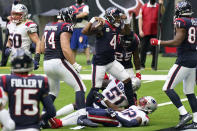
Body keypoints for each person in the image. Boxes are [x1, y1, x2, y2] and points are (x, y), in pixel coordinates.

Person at [150, 1, 197, 129]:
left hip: (185, 59)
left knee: (167, 87)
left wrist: (159, 42)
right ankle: (196, 121)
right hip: (194, 57)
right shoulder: (194, 21)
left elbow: (177, 42)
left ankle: (184, 114)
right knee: (189, 91)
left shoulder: (181, 21)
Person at [82, 6, 135, 107]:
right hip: (99, 63)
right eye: (117, 17)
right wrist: (92, 20)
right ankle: (86, 110)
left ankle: (132, 106)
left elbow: (127, 32)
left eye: (119, 17)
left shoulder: (117, 26)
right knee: (95, 88)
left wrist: (127, 20)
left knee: (127, 80)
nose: (119, 19)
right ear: (110, 17)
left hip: (111, 61)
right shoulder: (103, 25)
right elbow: (84, 32)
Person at [41, 8, 86, 111]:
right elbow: (65, 48)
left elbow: (42, 48)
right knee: (80, 87)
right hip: (58, 61)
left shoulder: (48, 25)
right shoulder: (65, 26)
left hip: (47, 63)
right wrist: (74, 64)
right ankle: (82, 116)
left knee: (53, 92)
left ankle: (43, 118)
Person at [0, 48, 56, 130]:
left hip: (14, 127)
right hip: (33, 127)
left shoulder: (6, 80)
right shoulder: (41, 80)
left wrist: (4, 120)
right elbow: (51, 111)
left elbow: (1, 105)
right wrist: (38, 119)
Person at [48, 96, 157, 128]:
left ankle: (59, 123)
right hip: (112, 114)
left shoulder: (143, 117)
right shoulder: (134, 107)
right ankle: (58, 121)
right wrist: (104, 99)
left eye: (144, 103)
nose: (141, 102)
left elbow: (129, 124)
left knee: (87, 113)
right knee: (87, 109)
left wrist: (116, 116)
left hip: (114, 120)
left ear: (148, 108)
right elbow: (118, 109)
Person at [6, 4, 41, 70]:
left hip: (25, 57)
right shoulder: (10, 24)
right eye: (13, 14)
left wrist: (37, 58)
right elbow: (10, 38)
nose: (14, 16)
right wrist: (8, 47)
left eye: (17, 14)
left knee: (22, 78)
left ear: (24, 14)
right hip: (13, 58)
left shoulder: (28, 25)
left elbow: (38, 42)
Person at [138, 0, 164, 70]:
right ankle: (141, 65)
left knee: (155, 49)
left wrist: (161, 5)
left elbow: (162, 12)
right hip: (145, 31)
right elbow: (140, 19)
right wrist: (140, 30)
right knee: (143, 49)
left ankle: (154, 65)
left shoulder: (158, 6)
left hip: (155, 32)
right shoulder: (143, 7)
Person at [70, 0, 91, 65]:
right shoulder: (71, 7)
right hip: (74, 28)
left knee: (85, 44)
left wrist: (75, 16)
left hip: (83, 28)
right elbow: (69, 14)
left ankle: (88, 60)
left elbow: (85, 13)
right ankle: (73, 61)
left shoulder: (85, 6)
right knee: (73, 46)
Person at [0, 0, 20, 67]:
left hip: (19, 29)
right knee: (5, 46)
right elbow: (3, 18)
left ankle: (21, 62)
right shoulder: (8, 7)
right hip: (10, 30)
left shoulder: (22, 7)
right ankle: (3, 62)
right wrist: (7, 18)